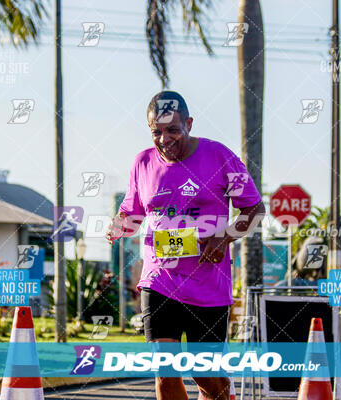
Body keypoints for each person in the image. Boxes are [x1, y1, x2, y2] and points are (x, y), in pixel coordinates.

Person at [106, 91, 265, 400]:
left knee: (206, 378)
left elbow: (255, 210)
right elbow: (133, 214)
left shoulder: (219, 157)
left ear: (189, 124)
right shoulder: (142, 163)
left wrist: (224, 237)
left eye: (172, 129)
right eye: (157, 131)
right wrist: (118, 225)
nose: (164, 139)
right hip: (159, 280)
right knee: (165, 373)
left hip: (208, 285)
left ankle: (223, 394)